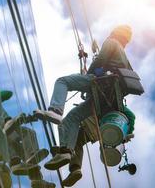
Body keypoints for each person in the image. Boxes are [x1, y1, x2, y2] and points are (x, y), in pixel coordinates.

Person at [35, 25, 136, 186]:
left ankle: (55, 110)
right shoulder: (125, 59)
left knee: (62, 81)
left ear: (114, 32)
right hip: (106, 99)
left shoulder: (111, 42)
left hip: (101, 83)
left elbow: (100, 59)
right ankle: (68, 155)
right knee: (72, 118)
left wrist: (89, 73)